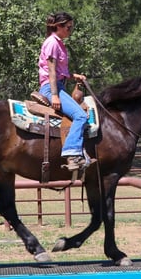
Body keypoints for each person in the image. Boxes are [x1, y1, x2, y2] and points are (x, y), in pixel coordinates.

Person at [38, 12, 91, 172]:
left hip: (58, 84)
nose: (70, 30)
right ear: (59, 26)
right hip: (51, 86)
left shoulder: (59, 43)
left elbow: (60, 71)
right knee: (81, 116)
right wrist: (54, 94)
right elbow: (52, 71)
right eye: (68, 27)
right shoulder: (52, 43)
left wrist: (74, 76)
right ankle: (72, 153)